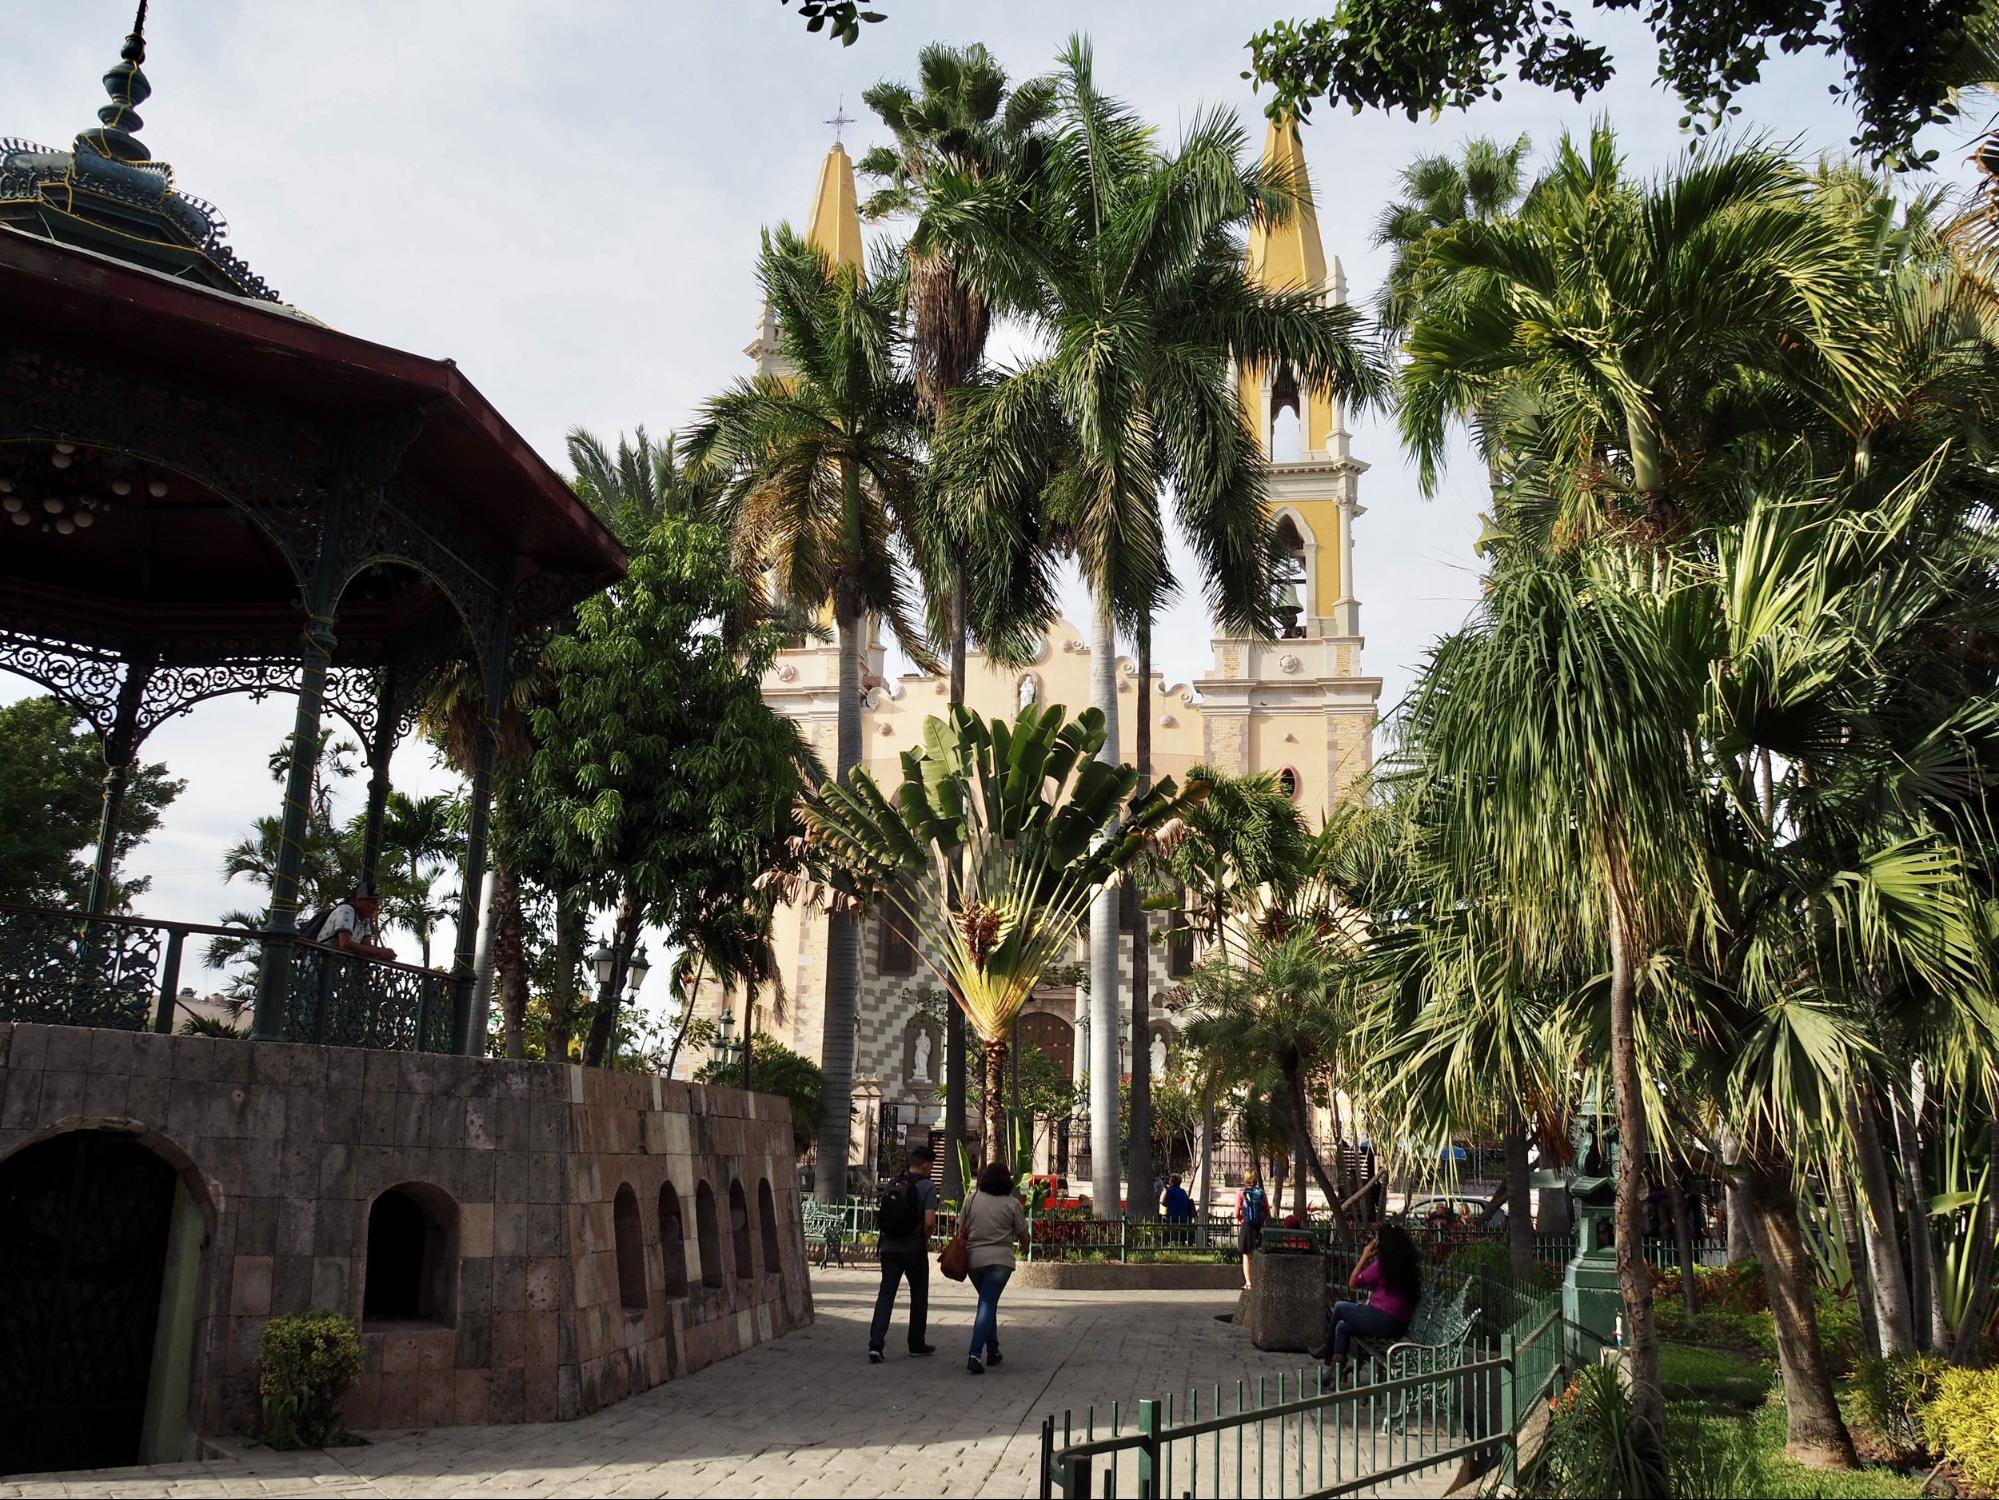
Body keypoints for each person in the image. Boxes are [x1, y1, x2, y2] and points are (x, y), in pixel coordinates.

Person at [1311, 1221, 1422, 1367]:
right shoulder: (1408, 1267)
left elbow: (1352, 1283)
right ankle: (1333, 1371)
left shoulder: (1382, 1265)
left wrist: (1364, 1256)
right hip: (1398, 1326)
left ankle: (1327, 1349)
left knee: (1339, 1307)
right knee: (1343, 1327)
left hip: (1383, 1321)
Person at [868, 1145, 939, 1363]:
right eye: (931, 1165)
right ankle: (916, 1343)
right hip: (913, 1248)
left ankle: (876, 1345)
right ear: (926, 1164)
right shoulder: (927, 1187)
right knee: (918, 1295)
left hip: (889, 1247)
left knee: (886, 1294)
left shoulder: (894, 1182)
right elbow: (929, 1221)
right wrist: (923, 1240)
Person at [959, 1160, 1030, 1374]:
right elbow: (1023, 1234)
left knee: (987, 1303)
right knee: (987, 1304)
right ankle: (974, 1353)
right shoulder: (1011, 1204)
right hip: (1000, 1262)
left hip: (973, 1261)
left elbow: (960, 1228)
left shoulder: (971, 1199)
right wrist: (1025, 1249)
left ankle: (993, 1350)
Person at [311, 879, 394, 961]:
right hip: (316, 964)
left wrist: (383, 954)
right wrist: (379, 952)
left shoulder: (365, 919)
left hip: (333, 968)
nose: (375, 907)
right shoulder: (346, 910)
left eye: (377, 904)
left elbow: (367, 946)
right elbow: (345, 943)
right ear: (359, 899)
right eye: (372, 903)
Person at [1235, 1170, 1269, 1287]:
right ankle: (1257, 1280)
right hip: (1258, 1226)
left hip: (1247, 1225)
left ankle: (1248, 1282)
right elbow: (1267, 1211)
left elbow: (1236, 1212)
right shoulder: (1261, 1193)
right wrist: (1261, 1220)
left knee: (1246, 1254)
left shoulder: (1241, 1193)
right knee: (1256, 1253)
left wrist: (1242, 1220)